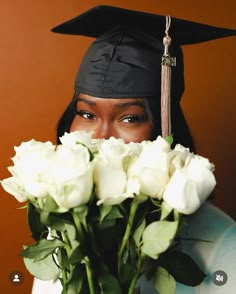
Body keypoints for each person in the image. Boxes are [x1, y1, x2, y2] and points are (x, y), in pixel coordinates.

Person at [32, 5, 236, 294]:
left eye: (129, 118)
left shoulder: (223, 243)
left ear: (163, 129)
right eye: (87, 115)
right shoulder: (63, 231)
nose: (101, 138)